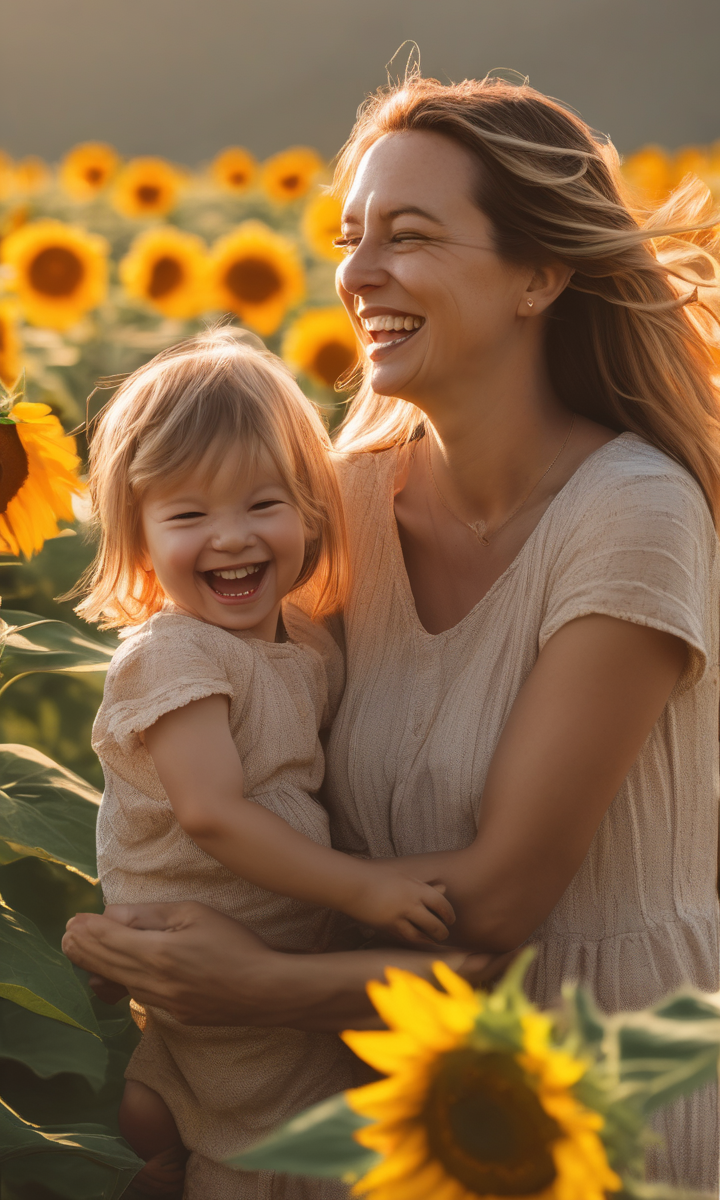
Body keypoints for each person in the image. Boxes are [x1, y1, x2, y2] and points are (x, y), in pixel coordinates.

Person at [65, 75, 720, 1190]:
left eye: (407, 236)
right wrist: (134, 930)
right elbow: (248, 742)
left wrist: (246, 984)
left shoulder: (634, 516)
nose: (356, 274)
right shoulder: (340, 504)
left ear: (540, 275)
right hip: (378, 1093)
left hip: (595, 1085)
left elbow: (499, 905)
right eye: (349, 234)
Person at [75, 333, 459, 1199]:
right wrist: (360, 890)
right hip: (204, 932)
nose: (231, 538)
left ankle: (171, 1141)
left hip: (274, 934)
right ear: (137, 537)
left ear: (313, 510)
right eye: (188, 516)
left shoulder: (305, 641)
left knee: (230, 1093)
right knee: (281, 1127)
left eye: (263, 504)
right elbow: (210, 811)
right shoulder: (172, 657)